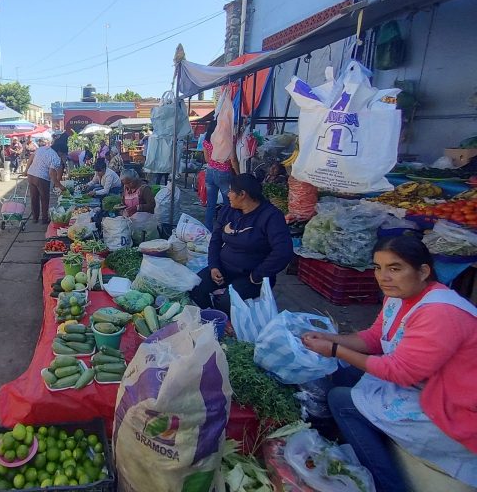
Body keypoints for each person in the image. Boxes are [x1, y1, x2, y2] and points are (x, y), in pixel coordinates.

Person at [302, 236, 477, 492]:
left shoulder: (440, 312)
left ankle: (388, 485)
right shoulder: (398, 296)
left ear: (423, 271)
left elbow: (400, 372)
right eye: (377, 267)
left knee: (341, 399)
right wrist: (330, 338)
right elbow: (375, 339)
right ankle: (348, 440)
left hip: (452, 406)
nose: (383, 276)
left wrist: (335, 350)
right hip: (423, 384)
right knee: (343, 375)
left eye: (395, 268)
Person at [190, 173, 292, 313]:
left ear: (242, 194)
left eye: (231, 191)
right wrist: (214, 266)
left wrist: (257, 275)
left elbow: (283, 252)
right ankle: (212, 316)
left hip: (251, 276)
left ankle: (226, 321)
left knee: (227, 301)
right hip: (224, 269)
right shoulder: (228, 211)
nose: (228, 195)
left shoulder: (271, 217)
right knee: (195, 287)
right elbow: (215, 240)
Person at [202, 117, 240, 230]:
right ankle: (227, 228)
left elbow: (207, 159)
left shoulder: (206, 141)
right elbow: (233, 159)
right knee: (229, 204)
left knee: (210, 205)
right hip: (223, 173)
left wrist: (214, 163)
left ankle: (208, 229)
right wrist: (238, 174)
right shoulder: (227, 139)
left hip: (209, 172)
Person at [26, 142, 64, 224]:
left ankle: (35, 218)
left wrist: (26, 170)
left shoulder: (41, 148)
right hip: (41, 178)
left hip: (31, 174)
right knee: (44, 198)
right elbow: (52, 174)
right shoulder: (55, 157)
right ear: (60, 151)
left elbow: (31, 158)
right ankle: (44, 219)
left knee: (34, 198)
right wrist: (59, 185)